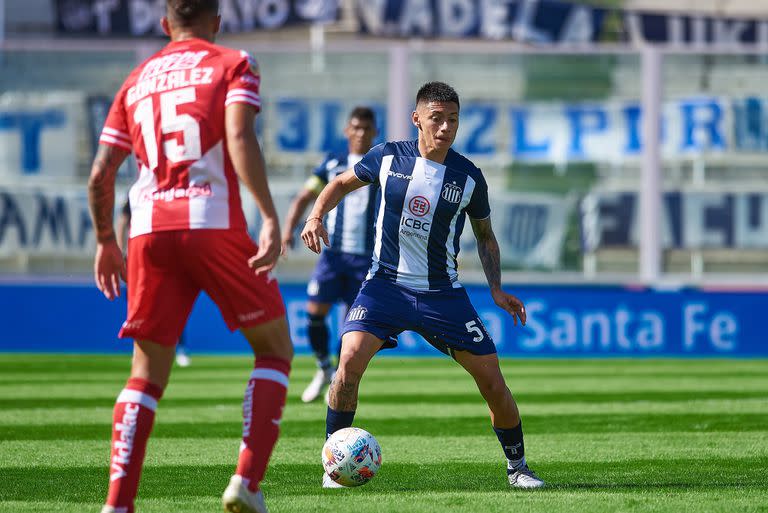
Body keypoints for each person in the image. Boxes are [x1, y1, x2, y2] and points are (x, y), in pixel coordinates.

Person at [88, 1, 293, 512]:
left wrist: (104, 241)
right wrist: (268, 214)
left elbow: (100, 175)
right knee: (273, 349)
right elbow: (240, 136)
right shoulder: (233, 63)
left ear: (165, 24)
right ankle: (246, 482)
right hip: (211, 220)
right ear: (217, 20)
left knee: (144, 374)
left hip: (148, 232)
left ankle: (117, 504)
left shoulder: (135, 80)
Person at [301, 81, 545, 489]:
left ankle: (517, 468)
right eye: (437, 118)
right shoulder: (387, 157)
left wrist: (497, 290)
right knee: (346, 368)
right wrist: (315, 216)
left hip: (442, 295)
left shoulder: (468, 177)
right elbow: (340, 183)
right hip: (383, 287)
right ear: (417, 118)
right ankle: (334, 465)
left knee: (492, 383)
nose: (446, 127)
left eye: (453, 119)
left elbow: (485, 236)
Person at [281, 107, 378, 403]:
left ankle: (338, 375)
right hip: (332, 256)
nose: (360, 133)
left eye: (366, 129)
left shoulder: (381, 162)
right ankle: (323, 368)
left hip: (365, 259)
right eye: (356, 128)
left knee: (353, 325)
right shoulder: (333, 163)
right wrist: (287, 231)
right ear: (347, 131)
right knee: (314, 313)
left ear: (374, 132)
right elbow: (305, 196)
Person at [117, 198, 192, 367]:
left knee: (174, 304)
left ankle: (179, 348)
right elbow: (122, 221)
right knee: (143, 305)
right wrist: (121, 251)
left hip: (168, 255)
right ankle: (141, 349)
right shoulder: (135, 192)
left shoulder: (173, 191)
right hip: (142, 255)